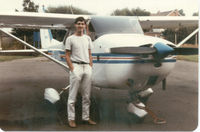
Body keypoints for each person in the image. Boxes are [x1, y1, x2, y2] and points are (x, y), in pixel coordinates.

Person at [65, 17, 96, 128]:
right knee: (72, 95)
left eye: (82, 24)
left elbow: (90, 54)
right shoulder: (70, 39)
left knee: (86, 96)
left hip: (86, 66)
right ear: (75, 25)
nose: (80, 26)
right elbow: (67, 55)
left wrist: (90, 66)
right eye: (78, 24)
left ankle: (86, 118)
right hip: (76, 66)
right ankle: (71, 119)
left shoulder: (87, 38)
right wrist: (72, 68)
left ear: (84, 26)